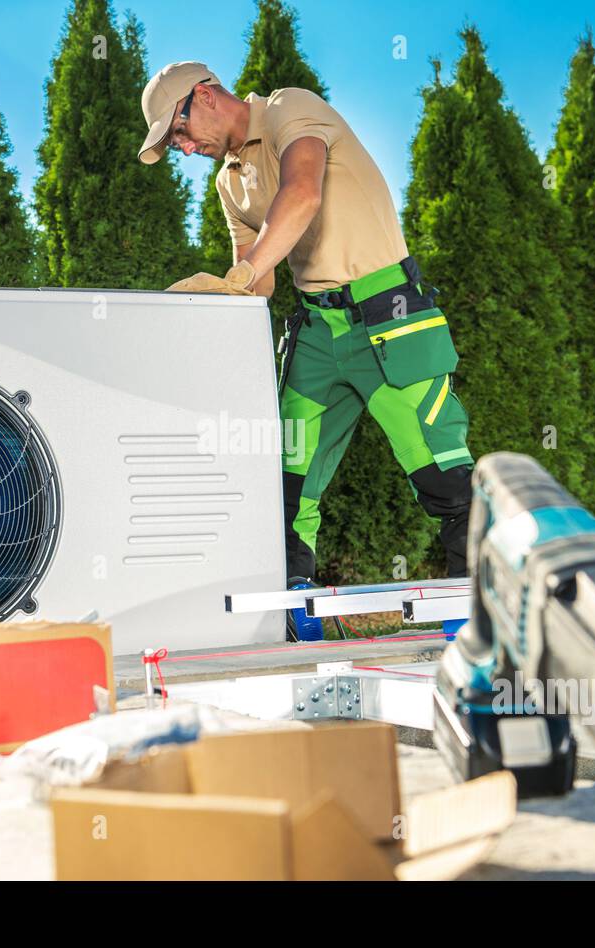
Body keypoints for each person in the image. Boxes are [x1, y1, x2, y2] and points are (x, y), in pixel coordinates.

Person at [137, 61, 474, 634]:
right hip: (317, 332)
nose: (184, 148)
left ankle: (474, 612)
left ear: (205, 95)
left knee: (443, 475)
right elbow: (261, 279)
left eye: (180, 131)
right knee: (287, 485)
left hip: (388, 317)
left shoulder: (289, 107)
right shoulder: (229, 182)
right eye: (174, 143)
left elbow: (302, 194)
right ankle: (294, 615)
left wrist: (242, 274)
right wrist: (212, 302)